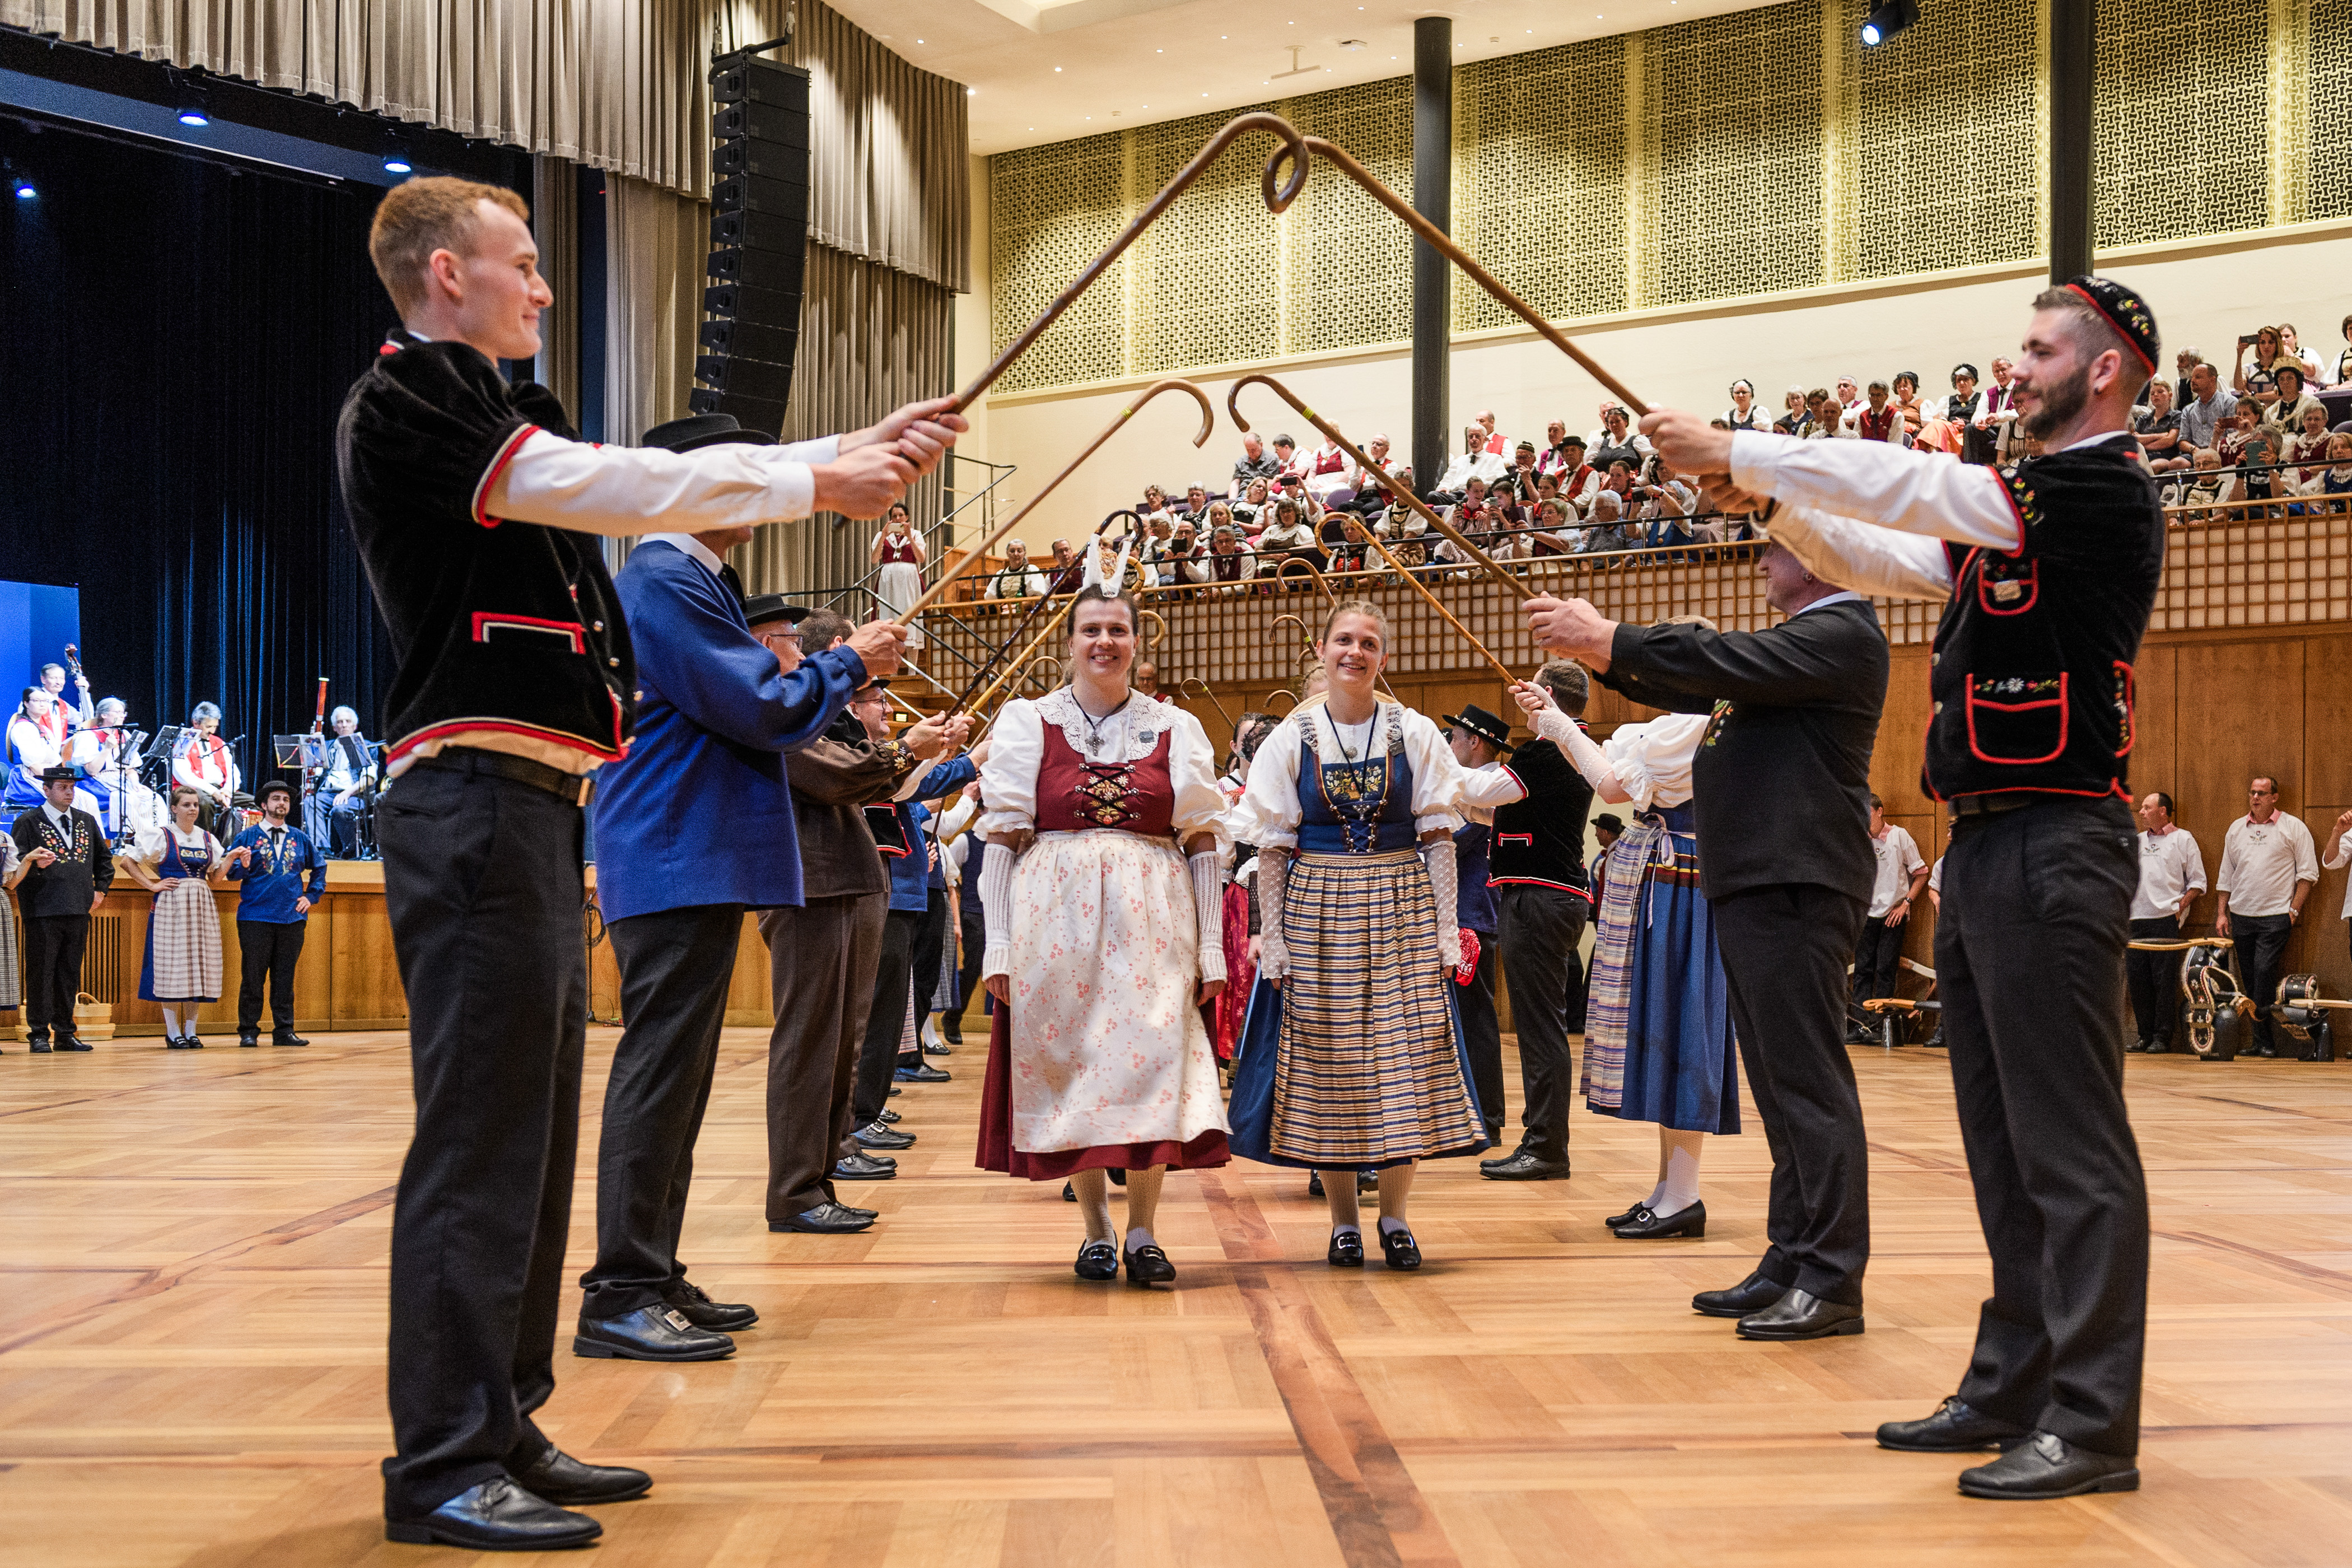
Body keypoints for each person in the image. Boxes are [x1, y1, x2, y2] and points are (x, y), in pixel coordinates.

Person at [338, 175, 949, 1551]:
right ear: (446, 275)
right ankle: (439, 1461)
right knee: (481, 1143)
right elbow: (605, 487)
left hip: (536, 807)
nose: (544, 289)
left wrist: (831, 456)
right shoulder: (411, 398)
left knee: (537, 1139)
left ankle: (503, 1421)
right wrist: (815, 467)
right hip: (475, 798)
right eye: (524, 265)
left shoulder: (498, 410)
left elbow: (597, 481)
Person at [1642, 276, 2168, 1500]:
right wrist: (1768, 495)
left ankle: (2091, 1421)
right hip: (1989, 839)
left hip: (2058, 836)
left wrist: (1748, 446)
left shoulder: (2098, 486)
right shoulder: (2018, 510)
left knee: (2070, 1147)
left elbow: (1919, 491)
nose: (2015, 365)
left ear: (2103, 369)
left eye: (2038, 349)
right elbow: (1889, 549)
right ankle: (2015, 1378)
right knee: (2001, 1142)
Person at [577, 413, 913, 1365]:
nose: (759, 495)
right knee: (659, 1074)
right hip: (678, 851)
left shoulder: (688, 579)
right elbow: (761, 708)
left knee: (676, 1079)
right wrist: (852, 664)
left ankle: (651, 1268)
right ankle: (622, 1289)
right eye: (742, 475)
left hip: (695, 853)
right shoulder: (664, 578)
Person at [1526, 539, 1887, 1343]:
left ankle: (1830, 1278)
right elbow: (1693, 676)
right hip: (1759, 885)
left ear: (1824, 556)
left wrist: (1608, 638)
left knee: (1808, 1087)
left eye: (1779, 545)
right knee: (1781, 1088)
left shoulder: (1839, 634)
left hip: (1797, 883)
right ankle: (1792, 1257)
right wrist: (1603, 651)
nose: (1763, 557)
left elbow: (1715, 658)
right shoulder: (1796, 649)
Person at [973, 581, 1231, 1285]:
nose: (1104, 642)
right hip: (1053, 925)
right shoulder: (1029, 721)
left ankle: (1144, 1231)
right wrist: (998, 942)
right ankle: (1094, 1228)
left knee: (1154, 1068)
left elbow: (1203, 839)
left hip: (1155, 922)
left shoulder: (1175, 727)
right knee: (1072, 1072)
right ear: (1070, 642)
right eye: (1091, 629)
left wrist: (1211, 947)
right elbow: (1000, 838)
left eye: (1118, 629)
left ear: (1137, 642)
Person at [1229, 601, 1491, 1271]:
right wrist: (1274, 935)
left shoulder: (1416, 730)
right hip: (1317, 906)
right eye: (1344, 640)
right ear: (1322, 648)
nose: (1355, 651)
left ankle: (1396, 1218)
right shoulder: (1295, 734)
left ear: (1384, 656)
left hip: (1401, 901)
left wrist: (1442, 929)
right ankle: (1344, 1222)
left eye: (1369, 642)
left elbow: (1438, 837)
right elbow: (1275, 846)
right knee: (1332, 1066)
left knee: (1402, 1063)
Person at [758, 608, 957, 1235]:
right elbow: (836, 775)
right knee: (811, 1042)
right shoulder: (775, 709)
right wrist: (906, 750)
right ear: (770, 645)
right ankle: (795, 1191)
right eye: (790, 639)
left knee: (840, 1038)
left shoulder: (798, 708)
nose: (798, 650)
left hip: (841, 879)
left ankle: (818, 1178)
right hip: (810, 885)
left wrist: (902, 752)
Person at [1509, 675, 1728, 1241]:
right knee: (1668, 1030)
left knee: (1681, 1031)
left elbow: (1610, 785)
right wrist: (1556, 722)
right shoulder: (1686, 727)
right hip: (1671, 878)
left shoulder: (1696, 727)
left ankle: (1683, 1193)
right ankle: (1670, 1189)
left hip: (1681, 882)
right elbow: (1607, 770)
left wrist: (1558, 724)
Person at [1456, 665, 1595, 1182]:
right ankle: (1540, 1141)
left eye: (1530, 686)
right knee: (1543, 1026)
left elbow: (1489, 791)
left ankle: (1546, 1148)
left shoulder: (1548, 749)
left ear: (1547, 695)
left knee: (1540, 1029)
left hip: (1539, 898)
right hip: (1552, 896)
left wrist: (1428, 761)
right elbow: (1501, 813)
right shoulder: (1573, 748)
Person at [2214, 775, 2318, 1060]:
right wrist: (2222, 913)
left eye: (2262, 793)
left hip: (2276, 916)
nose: (2256, 797)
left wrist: (2294, 911)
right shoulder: (2237, 828)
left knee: (2263, 972)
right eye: (2252, 792)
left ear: (2275, 797)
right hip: (2241, 915)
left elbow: (2308, 874)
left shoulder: (2293, 827)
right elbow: (2226, 875)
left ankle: (2267, 1040)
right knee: (2249, 979)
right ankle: (2262, 1041)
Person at [9, 766, 113, 1052]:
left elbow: (105, 861)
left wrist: (100, 891)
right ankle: (39, 1033)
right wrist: (32, 867)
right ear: (46, 789)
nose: (69, 792)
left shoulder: (86, 820)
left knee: (69, 972)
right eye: (62, 787)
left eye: (71, 787)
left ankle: (65, 1032)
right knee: (41, 972)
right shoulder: (29, 821)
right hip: (42, 907)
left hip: (79, 908)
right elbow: (13, 866)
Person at [127, 785, 233, 1049]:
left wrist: (231, 857)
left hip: (201, 905)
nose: (193, 809)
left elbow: (215, 879)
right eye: (187, 805)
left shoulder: (207, 838)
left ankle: (191, 1030)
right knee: (172, 968)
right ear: (174, 809)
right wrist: (152, 885)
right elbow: (127, 862)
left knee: (198, 968)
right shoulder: (162, 835)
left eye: (196, 805)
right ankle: (173, 1031)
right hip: (172, 905)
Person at [225, 778, 327, 1048]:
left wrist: (311, 896)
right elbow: (230, 874)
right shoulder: (246, 836)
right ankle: (248, 1031)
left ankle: (284, 1030)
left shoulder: (300, 838)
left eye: (286, 800)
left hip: (291, 918)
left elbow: (320, 867)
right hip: (255, 917)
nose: (281, 803)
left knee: (285, 978)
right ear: (263, 805)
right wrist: (243, 866)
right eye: (276, 799)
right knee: (253, 977)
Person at [2125, 792, 2204, 1054]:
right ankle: (2144, 1035)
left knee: (2164, 981)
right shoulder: (2136, 842)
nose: (2141, 812)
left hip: (2165, 920)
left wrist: (2180, 907)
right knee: (2138, 981)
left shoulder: (2183, 838)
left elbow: (2197, 882)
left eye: (2147, 808)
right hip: (2135, 920)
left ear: (2163, 811)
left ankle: (2162, 1037)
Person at [1847, 795, 1928, 1039]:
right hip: (1866, 914)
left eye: (1868, 813)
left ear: (1880, 812)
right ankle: (1858, 1026)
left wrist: (1906, 904)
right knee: (1863, 970)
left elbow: (1921, 873)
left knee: (1885, 969)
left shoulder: (1899, 836)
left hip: (1894, 913)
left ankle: (1880, 1026)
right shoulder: (1859, 840)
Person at [309, 706, 377, 857]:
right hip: (328, 793)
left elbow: (370, 778)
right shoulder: (327, 746)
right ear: (334, 727)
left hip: (355, 795)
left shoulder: (365, 746)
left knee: (340, 810)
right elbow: (316, 772)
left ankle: (350, 849)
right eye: (340, 722)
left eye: (348, 721)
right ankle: (322, 850)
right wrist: (313, 749)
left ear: (355, 726)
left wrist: (348, 792)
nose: (344, 725)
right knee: (311, 802)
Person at [174, 703, 240, 836]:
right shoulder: (184, 741)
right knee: (203, 803)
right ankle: (205, 844)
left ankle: (229, 842)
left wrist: (228, 790)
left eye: (215, 727)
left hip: (220, 789)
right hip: (191, 788)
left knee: (256, 802)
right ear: (196, 723)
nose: (213, 731)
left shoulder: (219, 742)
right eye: (209, 727)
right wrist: (213, 792)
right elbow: (184, 776)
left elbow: (234, 771)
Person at [869, 500, 928, 646]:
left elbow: (921, 558)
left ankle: (912, 668)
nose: (897, 519)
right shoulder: (882, 536)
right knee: (887, 613)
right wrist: (883, 536)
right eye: (894, 516)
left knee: (910, 614)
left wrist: (909, 538)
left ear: (907, 517)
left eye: (901, 515)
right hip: (889, 580)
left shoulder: (916, 534)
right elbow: (874, 559)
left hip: (909, 580)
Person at [6, 688, 67, 810]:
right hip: (27, 780)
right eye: (37, 701)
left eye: (45, 701)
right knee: (71, 800)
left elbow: (55, 761)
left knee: (85, 798)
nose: (42, 704)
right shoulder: (23, 727)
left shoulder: (46, 730)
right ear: (26, 703)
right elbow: (34, 765)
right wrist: (56, 784)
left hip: (47, 775)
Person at [983, 539, 1051, 600]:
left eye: (1019, 551)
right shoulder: (1000, 574)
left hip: (1025, 612)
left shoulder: (1031, 570)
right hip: (1002, 611)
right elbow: (990, 597)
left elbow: (1038, 598)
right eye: (1012, 551)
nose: (1016, 554)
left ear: (1024, 553)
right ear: (1007, 553)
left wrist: (1016, 607)